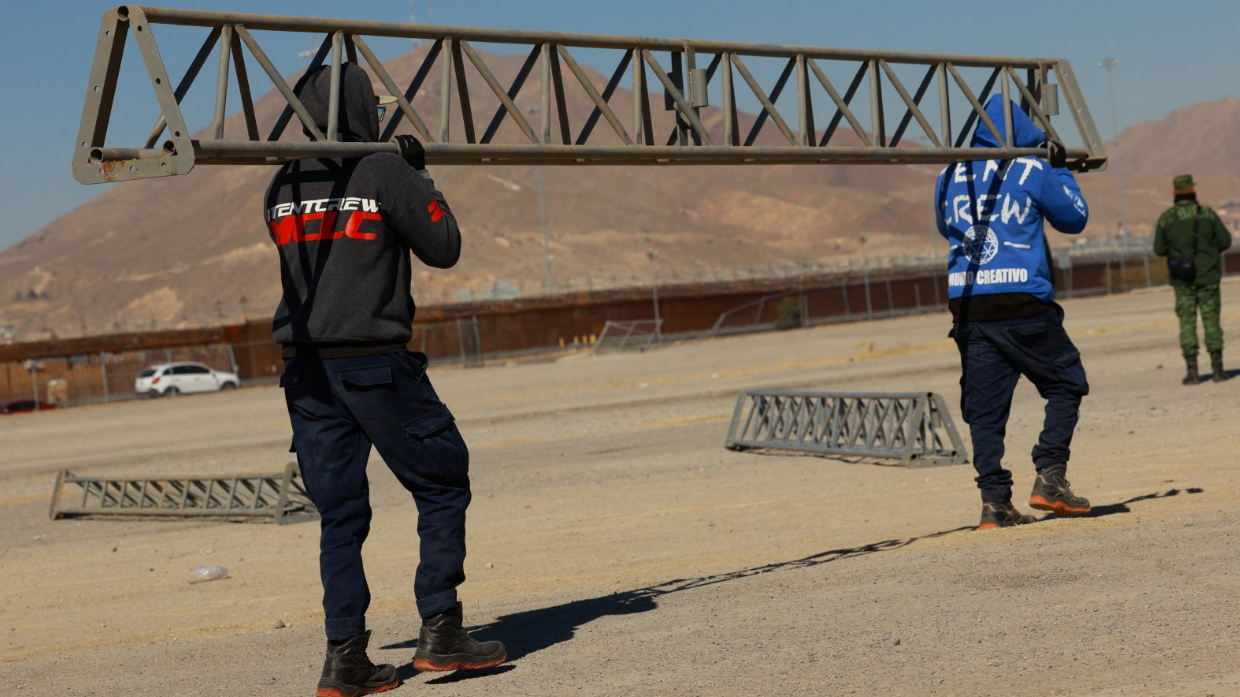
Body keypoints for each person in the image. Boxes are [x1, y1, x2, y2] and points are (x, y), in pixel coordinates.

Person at [265, 63, 506, 697]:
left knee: (339, 513)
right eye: (371, 105)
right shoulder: (383, 171)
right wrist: (417, 172)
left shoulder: (283, 181)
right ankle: (443, 631)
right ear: (359, 111)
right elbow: (445, 245)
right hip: (372, 361)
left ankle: (345, 657)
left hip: (306, 372)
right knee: (443, 479)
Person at [934, 96, 1094, 530]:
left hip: (968, 304)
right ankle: (1050, 477)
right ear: (1026, 129)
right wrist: (1059, 168)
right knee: (1067, 383)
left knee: (984, 410)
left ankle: (994, 503)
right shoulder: (1032, 169)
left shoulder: (948, 173)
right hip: (1021, 301)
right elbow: (1074, 219)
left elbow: (943, 224)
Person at [1153, 174, 1232, 384]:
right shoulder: (1207, 214)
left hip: (1182, 280)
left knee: (1187, 324)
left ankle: (1193, 372)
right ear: (1193, 191)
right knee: (1211, 321)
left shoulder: (1167, 218)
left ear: (1174, 194)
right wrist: (1209, 254)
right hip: (1208, 277)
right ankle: (1218, 370)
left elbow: (1158, 249)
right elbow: (1225, 240)